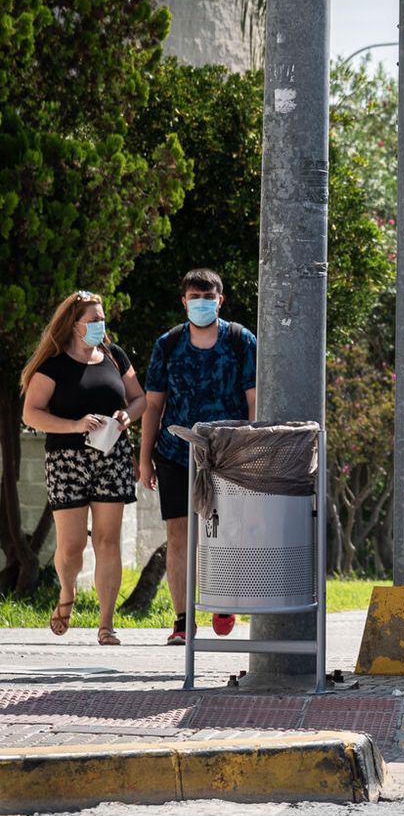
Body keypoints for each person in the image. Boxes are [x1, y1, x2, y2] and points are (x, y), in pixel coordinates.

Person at [20, 291, 147, 645]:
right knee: (72, 546)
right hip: (67, 461)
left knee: (108, 541)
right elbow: (31, 414)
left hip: (112, 456)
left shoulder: (115, 356)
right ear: (74, 325)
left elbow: (140, 399)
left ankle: (106, 624)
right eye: (93, 320)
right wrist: (75, 425)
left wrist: (127, 415)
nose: (99, 326)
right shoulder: (54, 364)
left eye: (102, 319)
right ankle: (67, 591)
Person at [137, 269, 256, 645]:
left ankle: (222, 599)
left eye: (208, 297)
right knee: (178, 535)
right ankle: (182, 621)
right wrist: (144, 458)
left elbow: (254, 399)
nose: (201, 303)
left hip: (227, 454)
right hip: (175, 453)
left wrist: (250, 449)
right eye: (194, 297)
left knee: (224, 532)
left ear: (220, 301)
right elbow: (153, 405)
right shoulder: (168, 344)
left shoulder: (240, 340)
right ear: (184, 301)